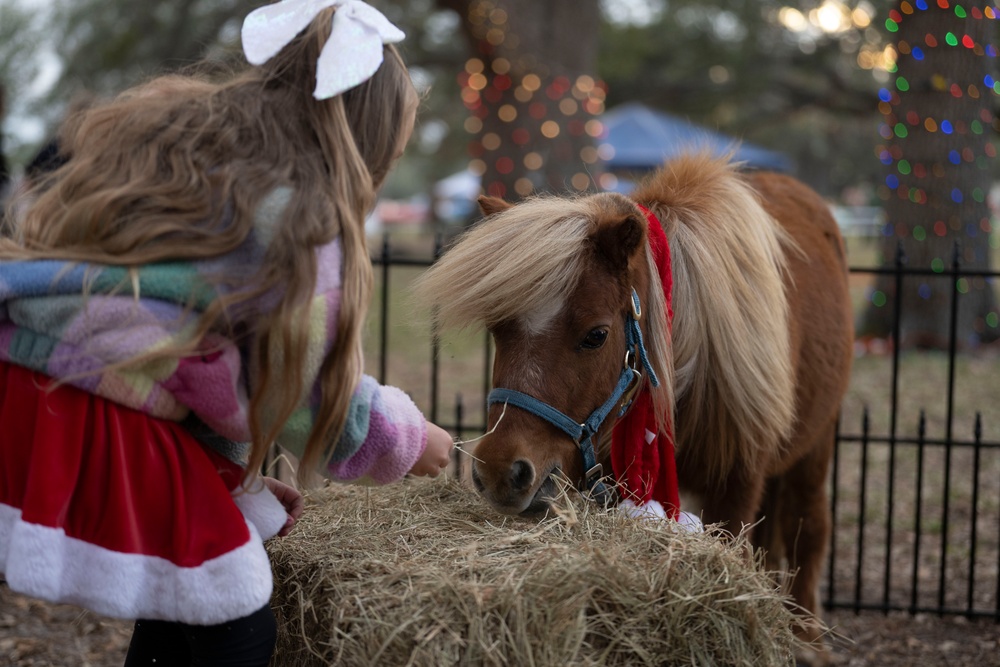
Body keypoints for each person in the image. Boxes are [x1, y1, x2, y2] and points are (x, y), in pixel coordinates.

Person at [0, 1, 453, 665]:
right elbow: (296, 394)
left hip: (34, 379)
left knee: (187, 599)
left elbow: (185, 340)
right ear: (368, 139)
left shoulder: (204, 155)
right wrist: (409, 440)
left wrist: (220, 475)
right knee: (235, 624)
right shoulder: (302, 216)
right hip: (96, 404)